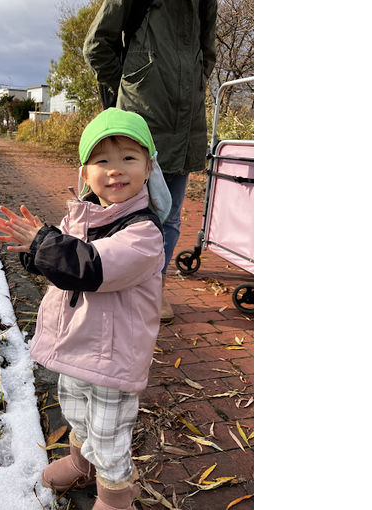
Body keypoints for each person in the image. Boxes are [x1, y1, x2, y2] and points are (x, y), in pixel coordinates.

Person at [0, 108, 169, 510]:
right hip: (77, 346)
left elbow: (90, 267)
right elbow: (61, 266)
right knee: (77, 414)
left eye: (128, 158)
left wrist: (44, 244)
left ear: (148, 168)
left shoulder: (144, 233)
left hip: (113, 358)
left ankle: (115, 497)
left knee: (109, 436)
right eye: (101, 160)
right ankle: (80, 463)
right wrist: (33, 250)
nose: (115, 170)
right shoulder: (82, 216)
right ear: (84, 173)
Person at [83, 0, 218, 320]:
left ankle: (152, 287)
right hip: (140, 120)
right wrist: (132, 86)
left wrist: (195, 82)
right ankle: (110, 284)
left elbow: (207, 51)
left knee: (168, 216)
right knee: (118, 210)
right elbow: (97, 45)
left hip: (186, 121)